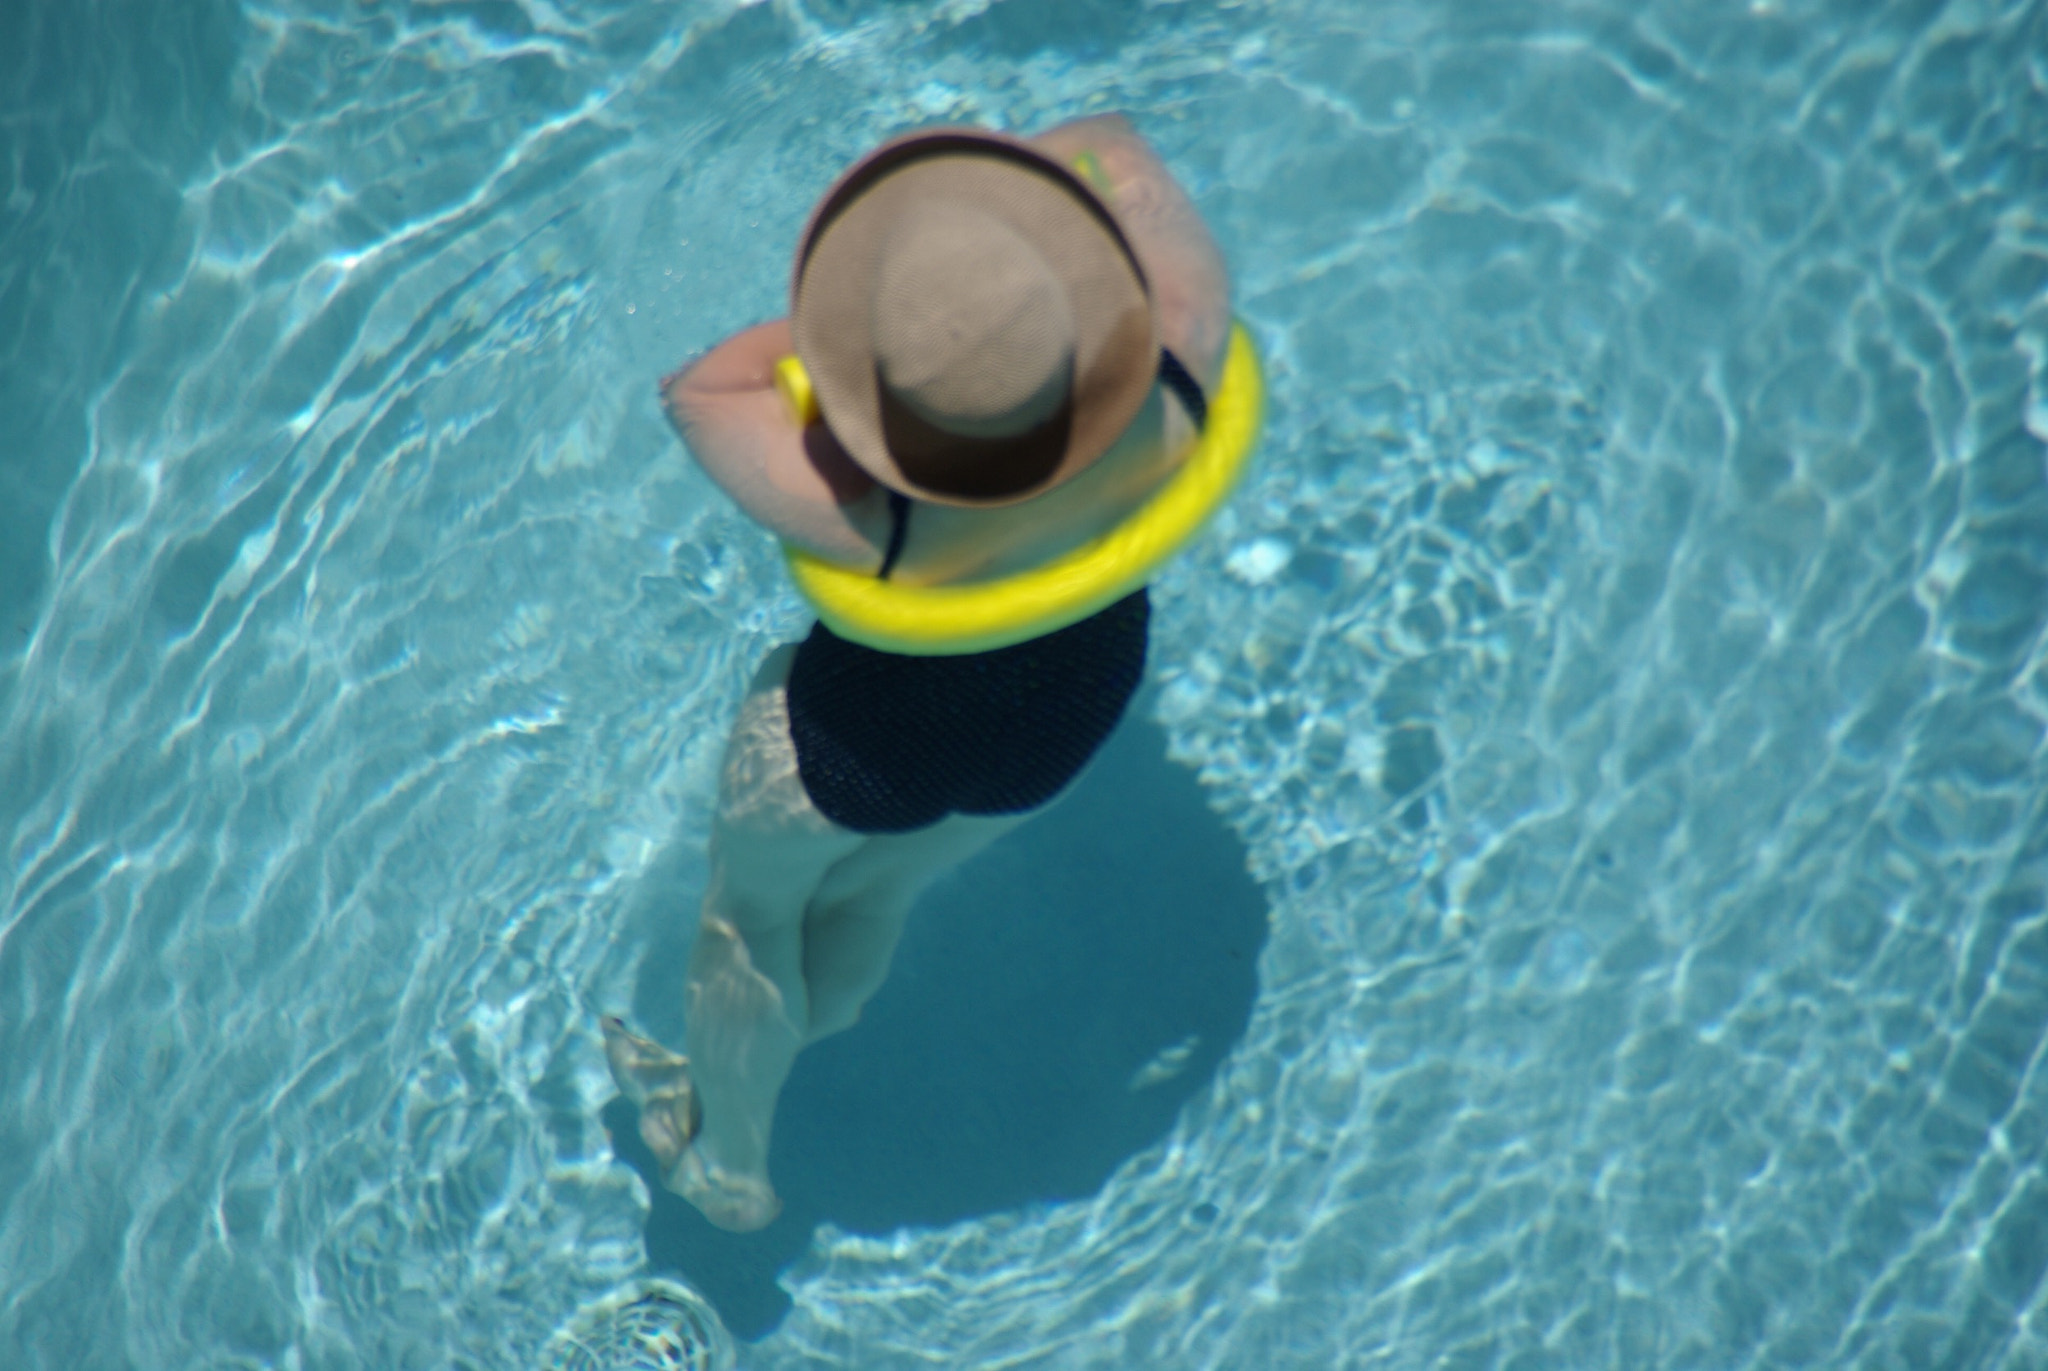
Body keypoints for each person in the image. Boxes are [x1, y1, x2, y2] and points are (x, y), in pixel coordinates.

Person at [603, 115, 1235, 1232]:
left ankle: (731, 1171)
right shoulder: (1179, 377)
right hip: (1059, 721)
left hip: (863, 746)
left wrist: (863, 325)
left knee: (749, 925)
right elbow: (1122, 152)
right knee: (878, 890)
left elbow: (696, 393)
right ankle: (810, 1021)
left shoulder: (879, 518)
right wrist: (1008, 252)